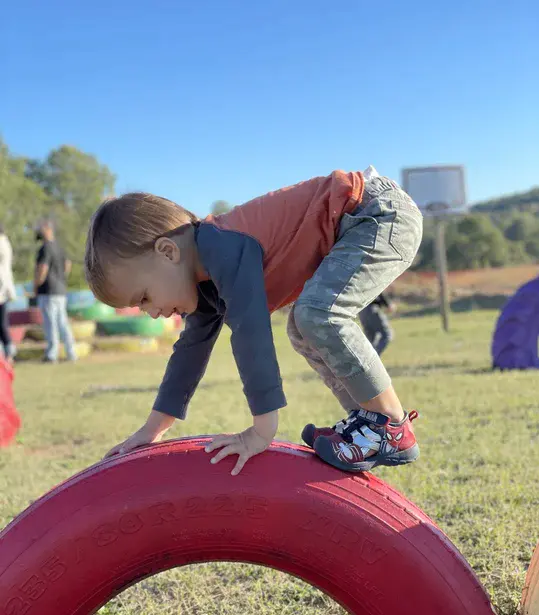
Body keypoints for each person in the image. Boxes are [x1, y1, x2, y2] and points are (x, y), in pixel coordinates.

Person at [84, 166, 423, 475]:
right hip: (360, 222)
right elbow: (188, 356)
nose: (151, 312)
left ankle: (389, 425)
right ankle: (367, 423)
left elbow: (251, 333)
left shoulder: (222, 246)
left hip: (375, 212)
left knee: (317, 314)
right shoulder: (203, 284)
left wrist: (261, 431)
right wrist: (152, 430)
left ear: (168, 252)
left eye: (143, 297)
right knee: (303, 329)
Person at [34, 221, 77, 363]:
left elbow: (43, 268)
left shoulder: (45, 248)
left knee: (50, 323)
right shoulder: (60, 247)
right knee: (62, 323)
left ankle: (52, 355)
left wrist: (37, 284)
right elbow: (67, 265)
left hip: (48, 291)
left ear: (48, 230)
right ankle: (71, 353)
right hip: (60, 290)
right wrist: (61, 278)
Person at [359, 292, 396, 356]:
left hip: (361, 310)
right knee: (387, 334)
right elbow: (379, 290)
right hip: (372, 308)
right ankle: (372, 359)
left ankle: (364, 361)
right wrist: (387, 304)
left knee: (370, 340)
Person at [0, 225, 16, 363]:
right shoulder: (4, 242)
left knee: (2, 324)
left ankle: (9, 354)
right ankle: (8, 354)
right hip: (4, 289)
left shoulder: (1, 243)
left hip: (1, 290)